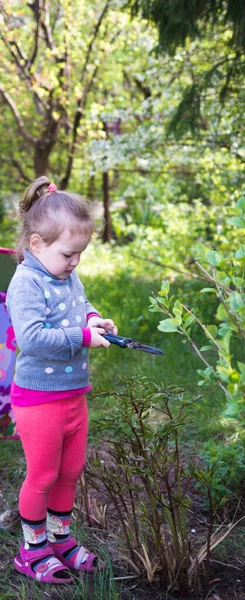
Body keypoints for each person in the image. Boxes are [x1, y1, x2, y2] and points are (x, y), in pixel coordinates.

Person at [6, 176, 118, 584]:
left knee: (70, 470)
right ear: (37, 244)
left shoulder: (66, 275)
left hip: (74, 395)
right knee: (43, 475)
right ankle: (31, 550)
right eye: (70, 254)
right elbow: (32, 339)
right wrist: (83, 337)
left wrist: (93, 319)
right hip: (38, 400)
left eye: (80, 255)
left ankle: (60, 539)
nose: (75, 263)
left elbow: (81, 303)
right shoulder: (27, 283)